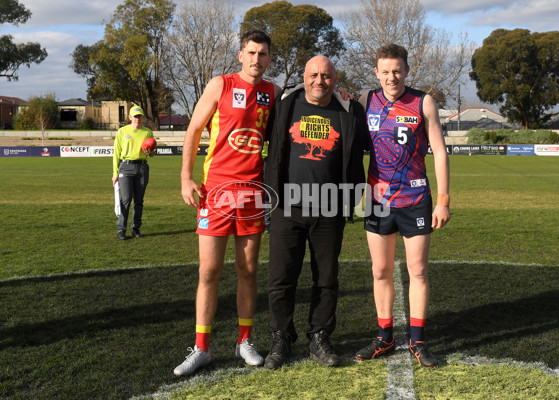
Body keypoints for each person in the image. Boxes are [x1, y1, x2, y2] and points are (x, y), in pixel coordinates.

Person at [174, 30, 282, 376]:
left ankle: (244, 340)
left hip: (252, 194)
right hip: (216, 193)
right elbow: (193, 130)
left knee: (248, 270)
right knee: (209, 271)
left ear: (269, 59)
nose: (257, 59)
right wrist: (186, 178)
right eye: (251, 52)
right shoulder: (219, 85)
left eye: (263, 54)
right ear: (240, 55)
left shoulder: (273, 92)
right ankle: (201, 348)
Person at [263, 55, 368, 369]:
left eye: (326, 76)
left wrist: (355, 98)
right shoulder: (284, 104)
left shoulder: (349, 110)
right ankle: (281, 337)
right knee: (281, 278)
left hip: (330, 206)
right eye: (314, 75)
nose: (319, 81)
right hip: (287, 205)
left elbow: (371, 143)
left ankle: (320, 336)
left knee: (326, 279)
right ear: (304, 77)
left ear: (335, 80)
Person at [354, 44, 450, 368]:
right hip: (379, 200)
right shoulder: (366, 101)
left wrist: (444, 201)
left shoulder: (423, 102)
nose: (391, 77)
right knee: (380, 270)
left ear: (407, 70)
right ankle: (385, 337)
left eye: (397, 70)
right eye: (385, 71)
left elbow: (439, 149)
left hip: (416, 200)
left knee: (418, 271)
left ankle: (418, 341)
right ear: (376, 73)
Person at [112, 105, 154, 240]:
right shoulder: (122, 131)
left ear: (142, 118)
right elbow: (116, 153)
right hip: (126, 167)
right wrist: (115, 173)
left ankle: (136, 228)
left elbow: (152, 153)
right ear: (130, 117)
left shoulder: (147, 132)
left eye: (139, 116)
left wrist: (151, 152)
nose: (137, 119)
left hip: (142, 168)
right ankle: (121, 229)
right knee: (126, 199)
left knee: (139, 201)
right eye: (135, 116)